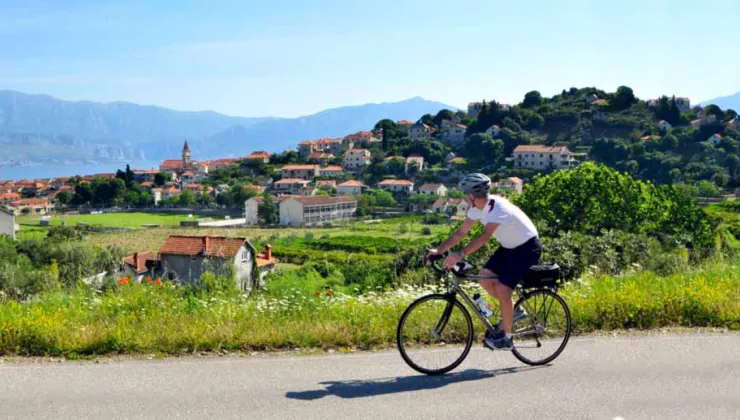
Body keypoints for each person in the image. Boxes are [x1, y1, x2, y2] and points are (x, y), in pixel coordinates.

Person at [426, 173, 541, 350]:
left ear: (471, 195)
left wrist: (460, 254)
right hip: (509, 246)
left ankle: (507, 338)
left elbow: (485, 236)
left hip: (527, 247)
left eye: (466, 193)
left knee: (503, 288)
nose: (465, 196)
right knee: (484, 277)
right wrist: (438, 250)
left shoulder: (498, 208)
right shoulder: (476, 209)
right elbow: (460, 233)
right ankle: (514, 311)